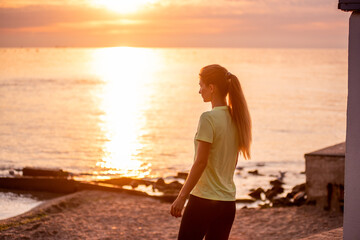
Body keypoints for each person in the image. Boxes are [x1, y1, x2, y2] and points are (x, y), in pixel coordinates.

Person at [170, 64, 252, 240]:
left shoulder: (208, 119)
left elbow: (201, 162)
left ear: (212, 87)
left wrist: (181, 197)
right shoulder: (237, 118)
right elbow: (232, 162)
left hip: (203, 202)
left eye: (201, 85)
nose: (199, 91)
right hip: (227, 203)